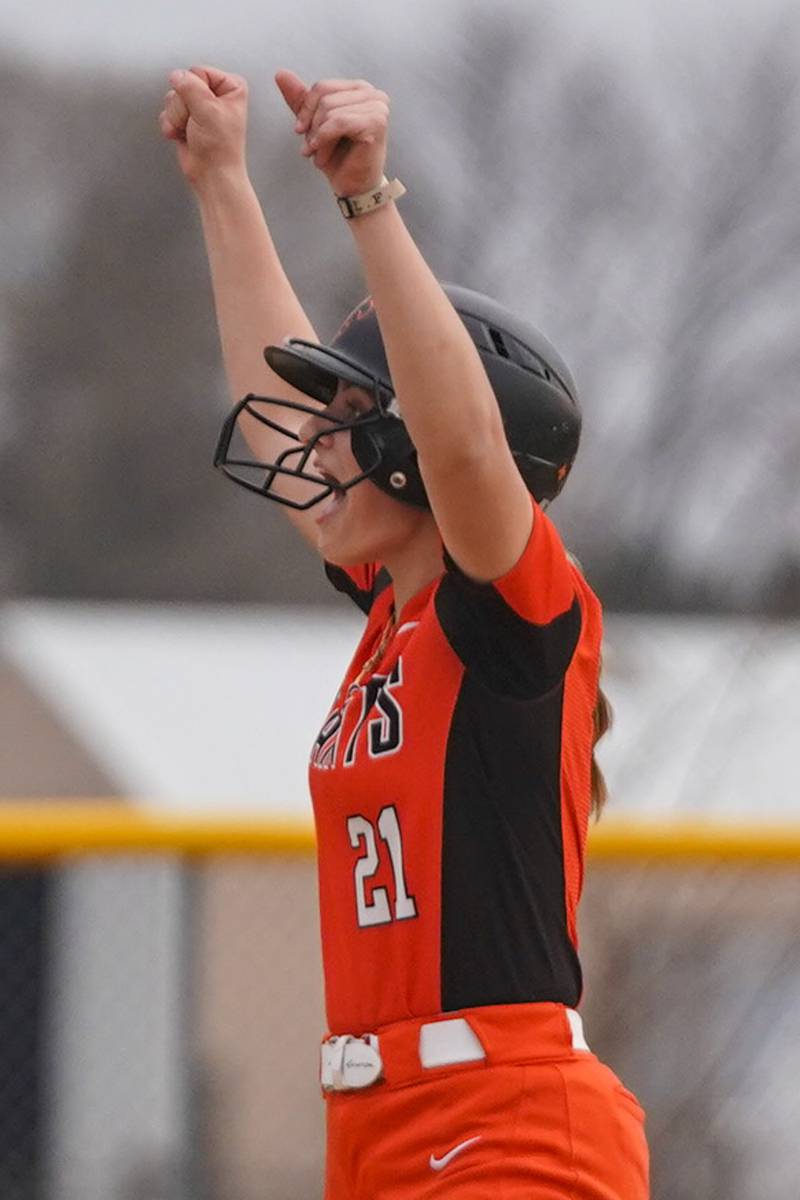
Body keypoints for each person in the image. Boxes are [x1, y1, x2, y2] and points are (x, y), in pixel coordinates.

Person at [160, 65, 649, 1200]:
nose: (313, 445)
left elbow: (468, 450)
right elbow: (287, 410)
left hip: (508, 1127)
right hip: (381, 1132)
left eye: (350, 421)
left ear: (417, 442)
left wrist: (368, 198)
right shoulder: (398, 612)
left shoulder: (517, 608)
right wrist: (223, 182)